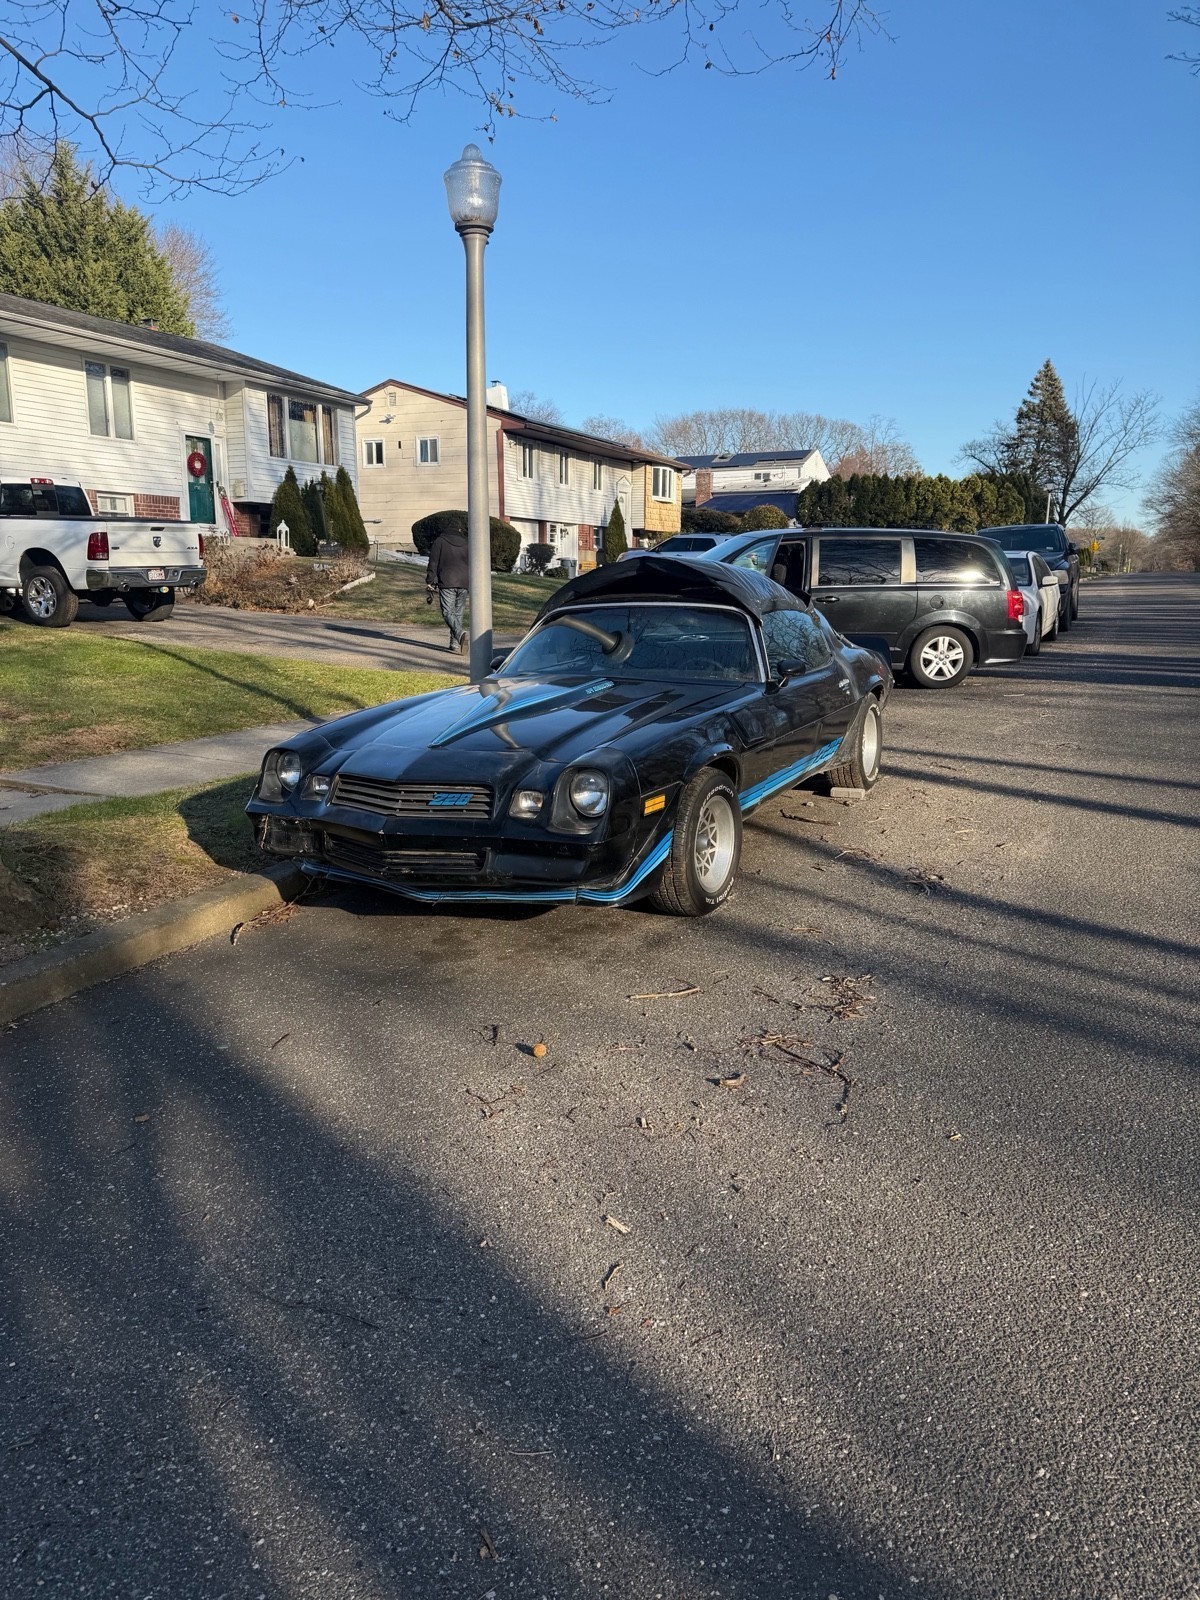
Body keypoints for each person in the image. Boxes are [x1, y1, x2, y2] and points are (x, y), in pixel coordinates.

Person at [425, 522, 470, 653]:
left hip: (447, 580)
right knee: (458, 613)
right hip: (464, 582)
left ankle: (460, 633)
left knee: (447, 612)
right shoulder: (467, 542)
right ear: (460, 529)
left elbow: (433, 562)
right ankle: (455, 644)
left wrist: (429, 580)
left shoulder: (440, 541)